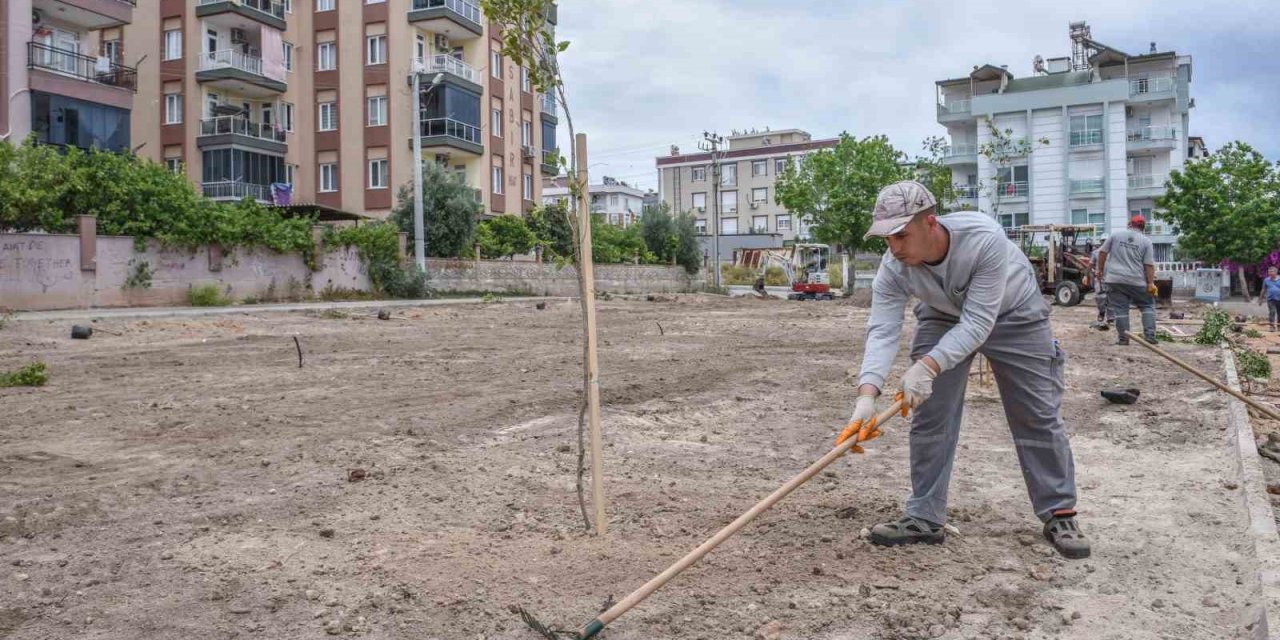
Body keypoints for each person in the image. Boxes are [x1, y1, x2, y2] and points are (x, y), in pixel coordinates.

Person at [840, 181, 1089, 559]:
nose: (894, 248)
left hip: (1013, 313)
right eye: (886, 238)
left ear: (930, 223)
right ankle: (924, 515)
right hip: (941, 314)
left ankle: (1059, 512)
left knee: (1036, 412)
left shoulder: (983, 239)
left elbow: (978, 322)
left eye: (901, 235)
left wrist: (927, 366)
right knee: (930, 414)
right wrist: (866, 394)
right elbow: (883, 329)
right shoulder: (893, 268)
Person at [1096, 216, 1158, 346]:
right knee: (1147, 305)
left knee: (1120, 309)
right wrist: (1150, 283)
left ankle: (1123, 339)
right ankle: (1150, 336)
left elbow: (1102, 252)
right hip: (1137, 280)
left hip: (1114, 279)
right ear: (1143, 227)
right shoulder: (1146, 241)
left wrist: (1100, 270)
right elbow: (1149, 264)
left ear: (1129, 224)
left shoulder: (1116, 235)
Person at [1090, 238, 1114, 330]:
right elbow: (1091, 264)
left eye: (1106, 241)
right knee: (1100, 297)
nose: (1104, 242)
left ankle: (1111, 318)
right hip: (1099, 279)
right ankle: (1102, 312)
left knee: (1111, 298)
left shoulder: (1113, 253)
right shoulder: (1096, 253)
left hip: (1111, 278)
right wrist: (1087, 275)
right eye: (1103, 241)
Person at [1259, 266, 1280, 331]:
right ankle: (1272, 326)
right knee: (1272, 312)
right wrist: (1260, 299)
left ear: (1276, 272)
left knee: (1279, 313)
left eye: (1271, 271)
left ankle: (1279, 326)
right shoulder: (1266, 280)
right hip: (1270, 299)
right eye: (1269, 271)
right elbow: (1263, 289)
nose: (1270, 273)